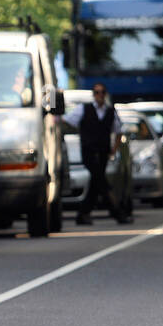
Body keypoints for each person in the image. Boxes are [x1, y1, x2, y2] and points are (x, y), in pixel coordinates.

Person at [63, 83, 120, 224]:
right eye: (96, 92)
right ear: (93, 95)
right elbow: (67, 121)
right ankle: (117, 212)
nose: (99, 95)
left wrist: (114, 149)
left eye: (102, 92)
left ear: (105, 94)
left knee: (96, 182)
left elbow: (119, 131)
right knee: (101, 181)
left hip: (103, 153)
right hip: (88, 152)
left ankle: (83, 214)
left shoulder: (111, 111)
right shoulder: (83, 109)